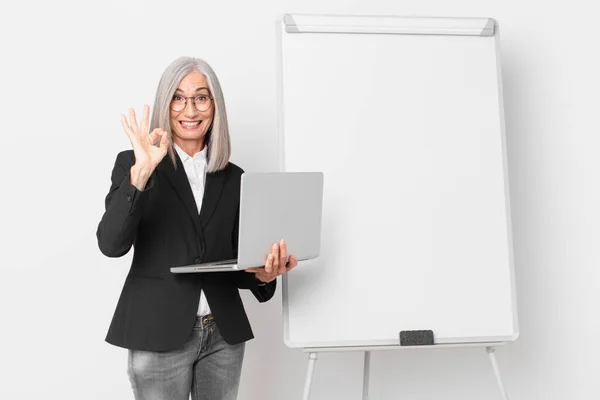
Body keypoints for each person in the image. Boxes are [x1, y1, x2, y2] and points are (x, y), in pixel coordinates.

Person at [96, 56, 297, 400]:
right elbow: (111, 244)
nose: (190, 110)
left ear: (214, 106)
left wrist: (264, 275)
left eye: (201, 97)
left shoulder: (234, 177)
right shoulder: (133, 164)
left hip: (222, 335)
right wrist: (141, 175)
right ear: (166, 104)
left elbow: (231, 262)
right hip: (158, 331)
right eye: (178, 97)